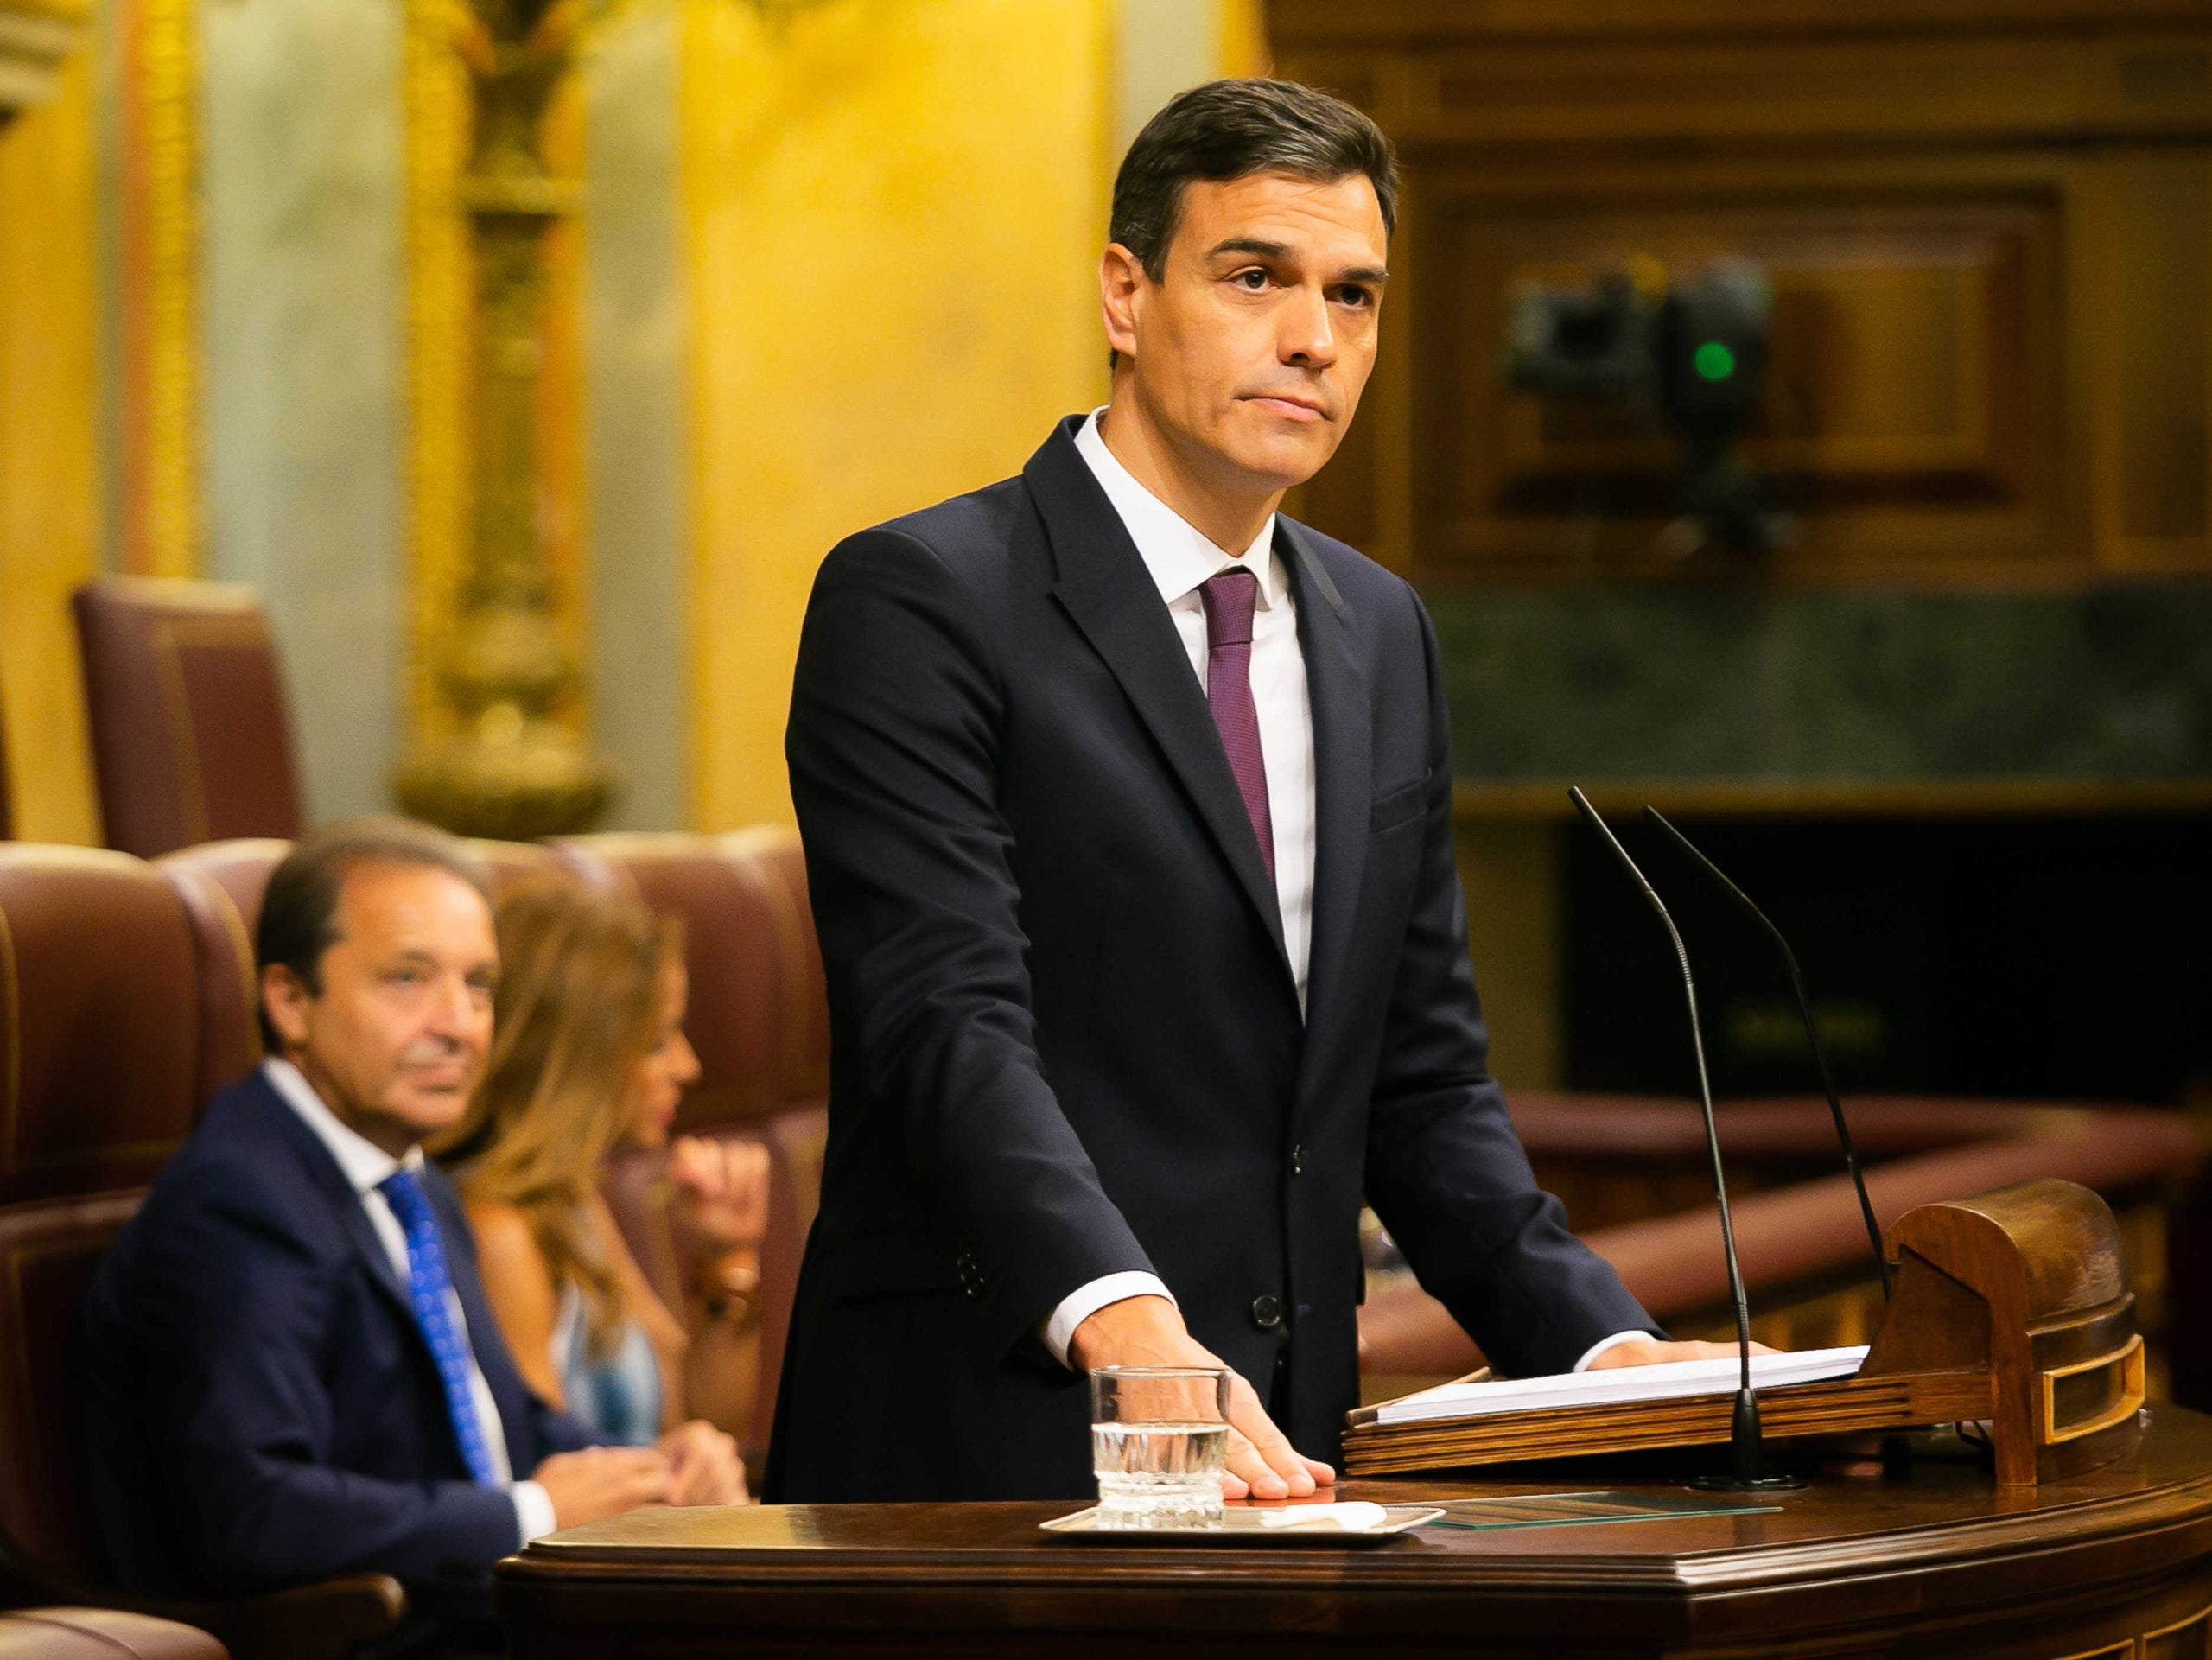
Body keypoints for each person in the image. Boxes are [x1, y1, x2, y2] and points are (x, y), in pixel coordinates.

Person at [770, 77, 1751, 1506]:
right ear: (1125, 291)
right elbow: (943, 1020)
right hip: (990, 1423)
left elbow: (1418, 1077)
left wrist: (1598, 1347)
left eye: (1354, 297)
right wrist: (1127, 1319)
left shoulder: (1379, 629)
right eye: (1255, 276)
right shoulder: (924, 598)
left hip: (1288, 1452)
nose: (1312, 338)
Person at [78, 819, 742, 1654]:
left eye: (479, 985)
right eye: (407, 979)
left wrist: (653, 1474)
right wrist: (531, 1514)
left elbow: (509, 1430)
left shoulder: (410, 1176)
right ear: (290, 1000)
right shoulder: (241, 1198)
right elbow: (253, 1512)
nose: (459, 1023)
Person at [435, 881, 769, 1455]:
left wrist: (726, 1256)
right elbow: (552, 1483)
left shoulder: (569, 1195)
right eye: (659, 1039)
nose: (687, 1065)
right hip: (599, 1542)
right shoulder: (497, 1227)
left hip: (647, 1534)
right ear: (581, 1055)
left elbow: (701, 1421)